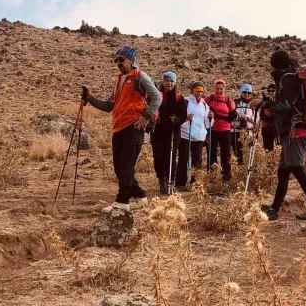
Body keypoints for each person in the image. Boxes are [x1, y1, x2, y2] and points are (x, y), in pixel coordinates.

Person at [81, 46, 161, 211]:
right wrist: (90, 98)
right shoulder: (118, 80)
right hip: (118, 127)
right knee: (119, 167)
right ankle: (139, 194)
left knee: (125, 165)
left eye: (121, 60)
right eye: (116, 60)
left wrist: (146, 116)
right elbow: (109, 106)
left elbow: (157, 97)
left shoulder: (140, 76)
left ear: (131, 60)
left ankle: (122, 202)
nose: (118, 63)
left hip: (134, 126)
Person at [262, 50, 306, 221]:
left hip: (294, 129)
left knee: (296, 167)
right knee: (283, 171)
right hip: (297, 129)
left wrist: (270, 108)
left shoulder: (287, 78)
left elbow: (287, 105)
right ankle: (274, 209)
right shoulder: (291, 76)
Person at [151, 71, 188, 195]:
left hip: (173, 131)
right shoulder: (156, 94)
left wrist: (177, 120)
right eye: (167, 80)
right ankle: (162, 179)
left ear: (175, 82)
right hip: (158, 130)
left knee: (171, 156)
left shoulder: (179, 97)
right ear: (163, 81)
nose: (169, 83)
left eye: (171, 81)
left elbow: (183, 114)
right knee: (158, 157)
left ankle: (170, 180)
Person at [176, 81, 211, 190]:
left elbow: (207, 123)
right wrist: (186, 118)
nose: (199, 93)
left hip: (199, 137)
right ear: (192, 91)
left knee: (197, 160)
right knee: (183, 159)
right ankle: (180, 184)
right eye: (196, 90)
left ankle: (195, 183)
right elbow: (179, 117)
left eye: (201, 91)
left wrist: (211, 117)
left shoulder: (205, 105)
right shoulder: (186, 101)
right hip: (186, 135)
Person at [205, 79, 236, 182]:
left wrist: (233, 115)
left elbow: (232, 114)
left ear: (224, 89)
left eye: (221, 89)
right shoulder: (208, 99)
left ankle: (226, 177)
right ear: (214, 88)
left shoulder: (228, 100)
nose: (219, 91)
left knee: (226, 154)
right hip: (212, 129)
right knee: (211, 153)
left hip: (225, 130)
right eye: (217, 88)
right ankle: (212, 176)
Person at [233, 83, 255, 164]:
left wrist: (249, 120)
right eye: (245, 92)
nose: (247, 94)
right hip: (237, 132)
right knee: (238, 153)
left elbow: (256, 118)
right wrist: (240, 118)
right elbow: (233, 116)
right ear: (241, 93)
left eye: (249, 93)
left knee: (250, 153)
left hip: (249, 132)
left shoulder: (253, 104)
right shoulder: (235, 103)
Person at [256, 84, 277, 151]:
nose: (270, 93)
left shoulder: (279, 100)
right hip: (266, 128)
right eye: (269, 91)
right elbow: (260, 114)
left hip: (276, 128)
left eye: (272, 91)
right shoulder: (265, 101)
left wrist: (272, 102)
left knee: (277, 148)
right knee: (267, 148)